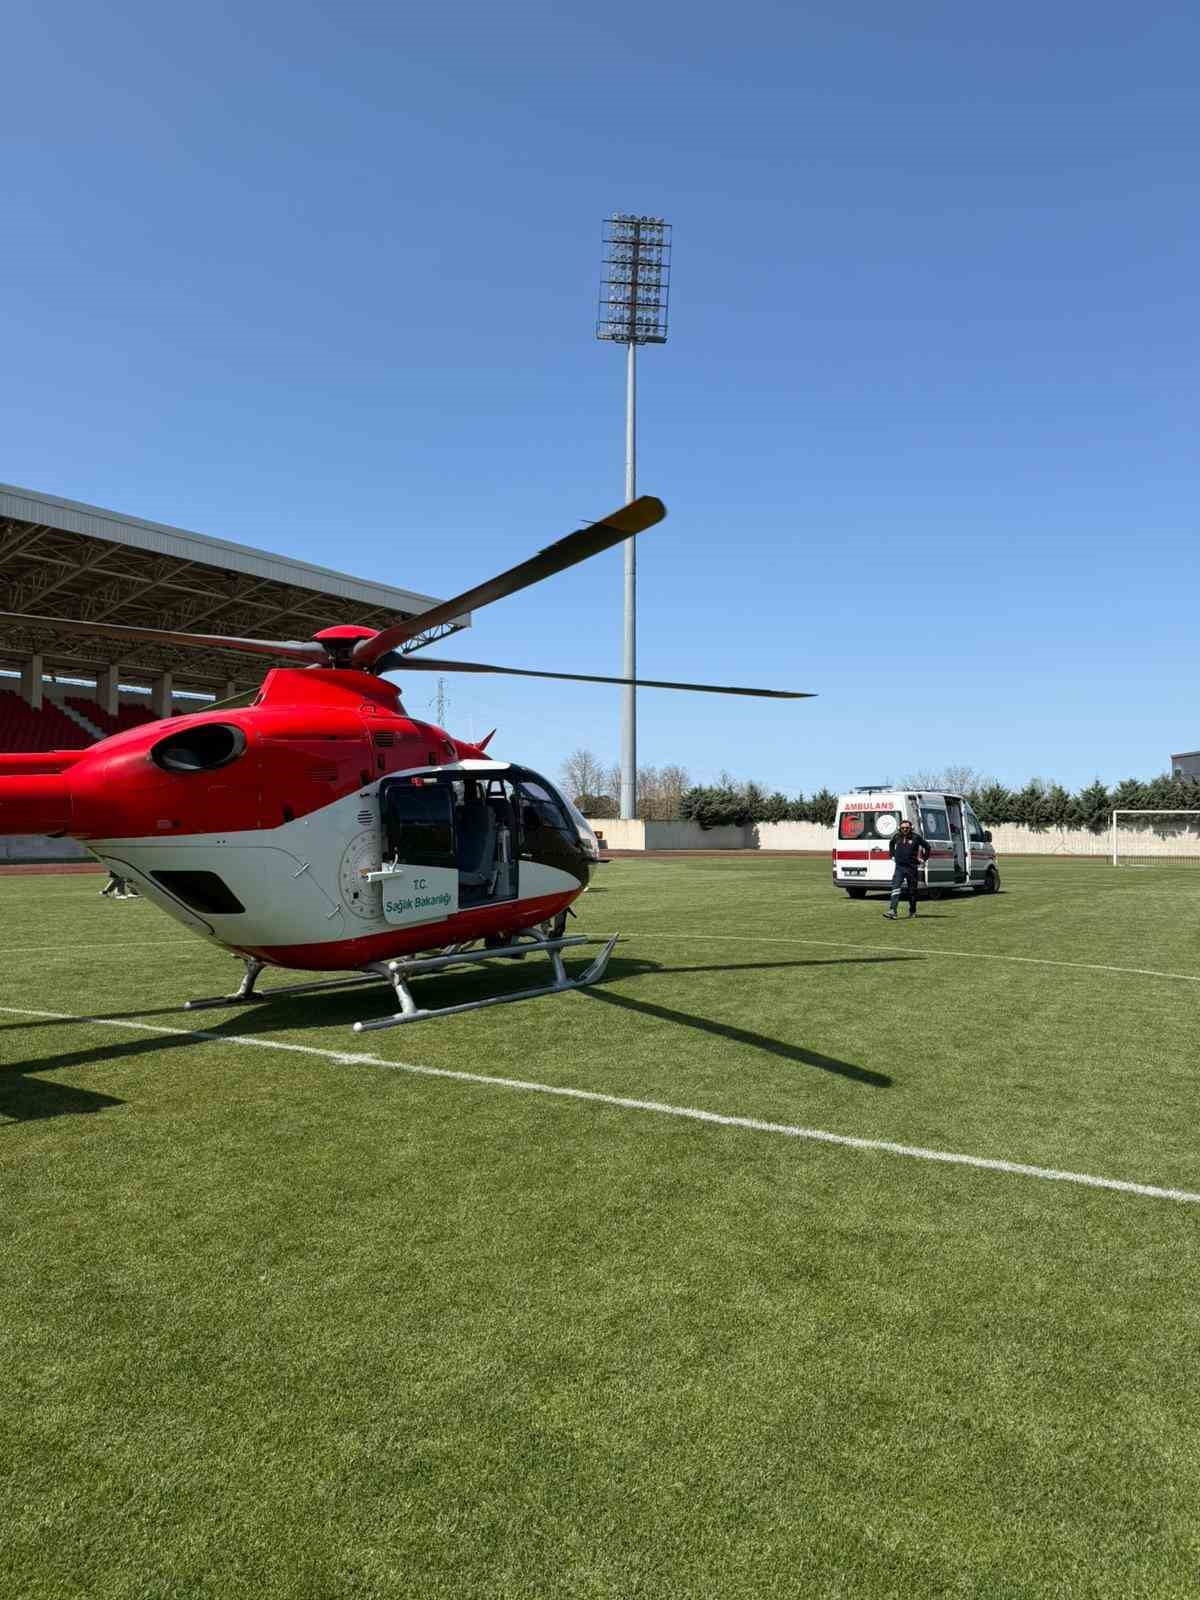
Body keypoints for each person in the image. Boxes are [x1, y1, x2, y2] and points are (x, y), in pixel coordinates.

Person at [884, 818, 929, 919]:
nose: (905, 829)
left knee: (912, 891)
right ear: (899, 828)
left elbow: (927, 847)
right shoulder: (896, 837)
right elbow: (891, 844)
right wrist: (892, 855)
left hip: (912, 868)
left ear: (910, 828)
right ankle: (893, 911)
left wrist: (924, 859)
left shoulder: (916, 838)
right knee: (895, 887)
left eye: (907, 828)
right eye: (903, 828)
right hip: (899, 867)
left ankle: (912, 911)